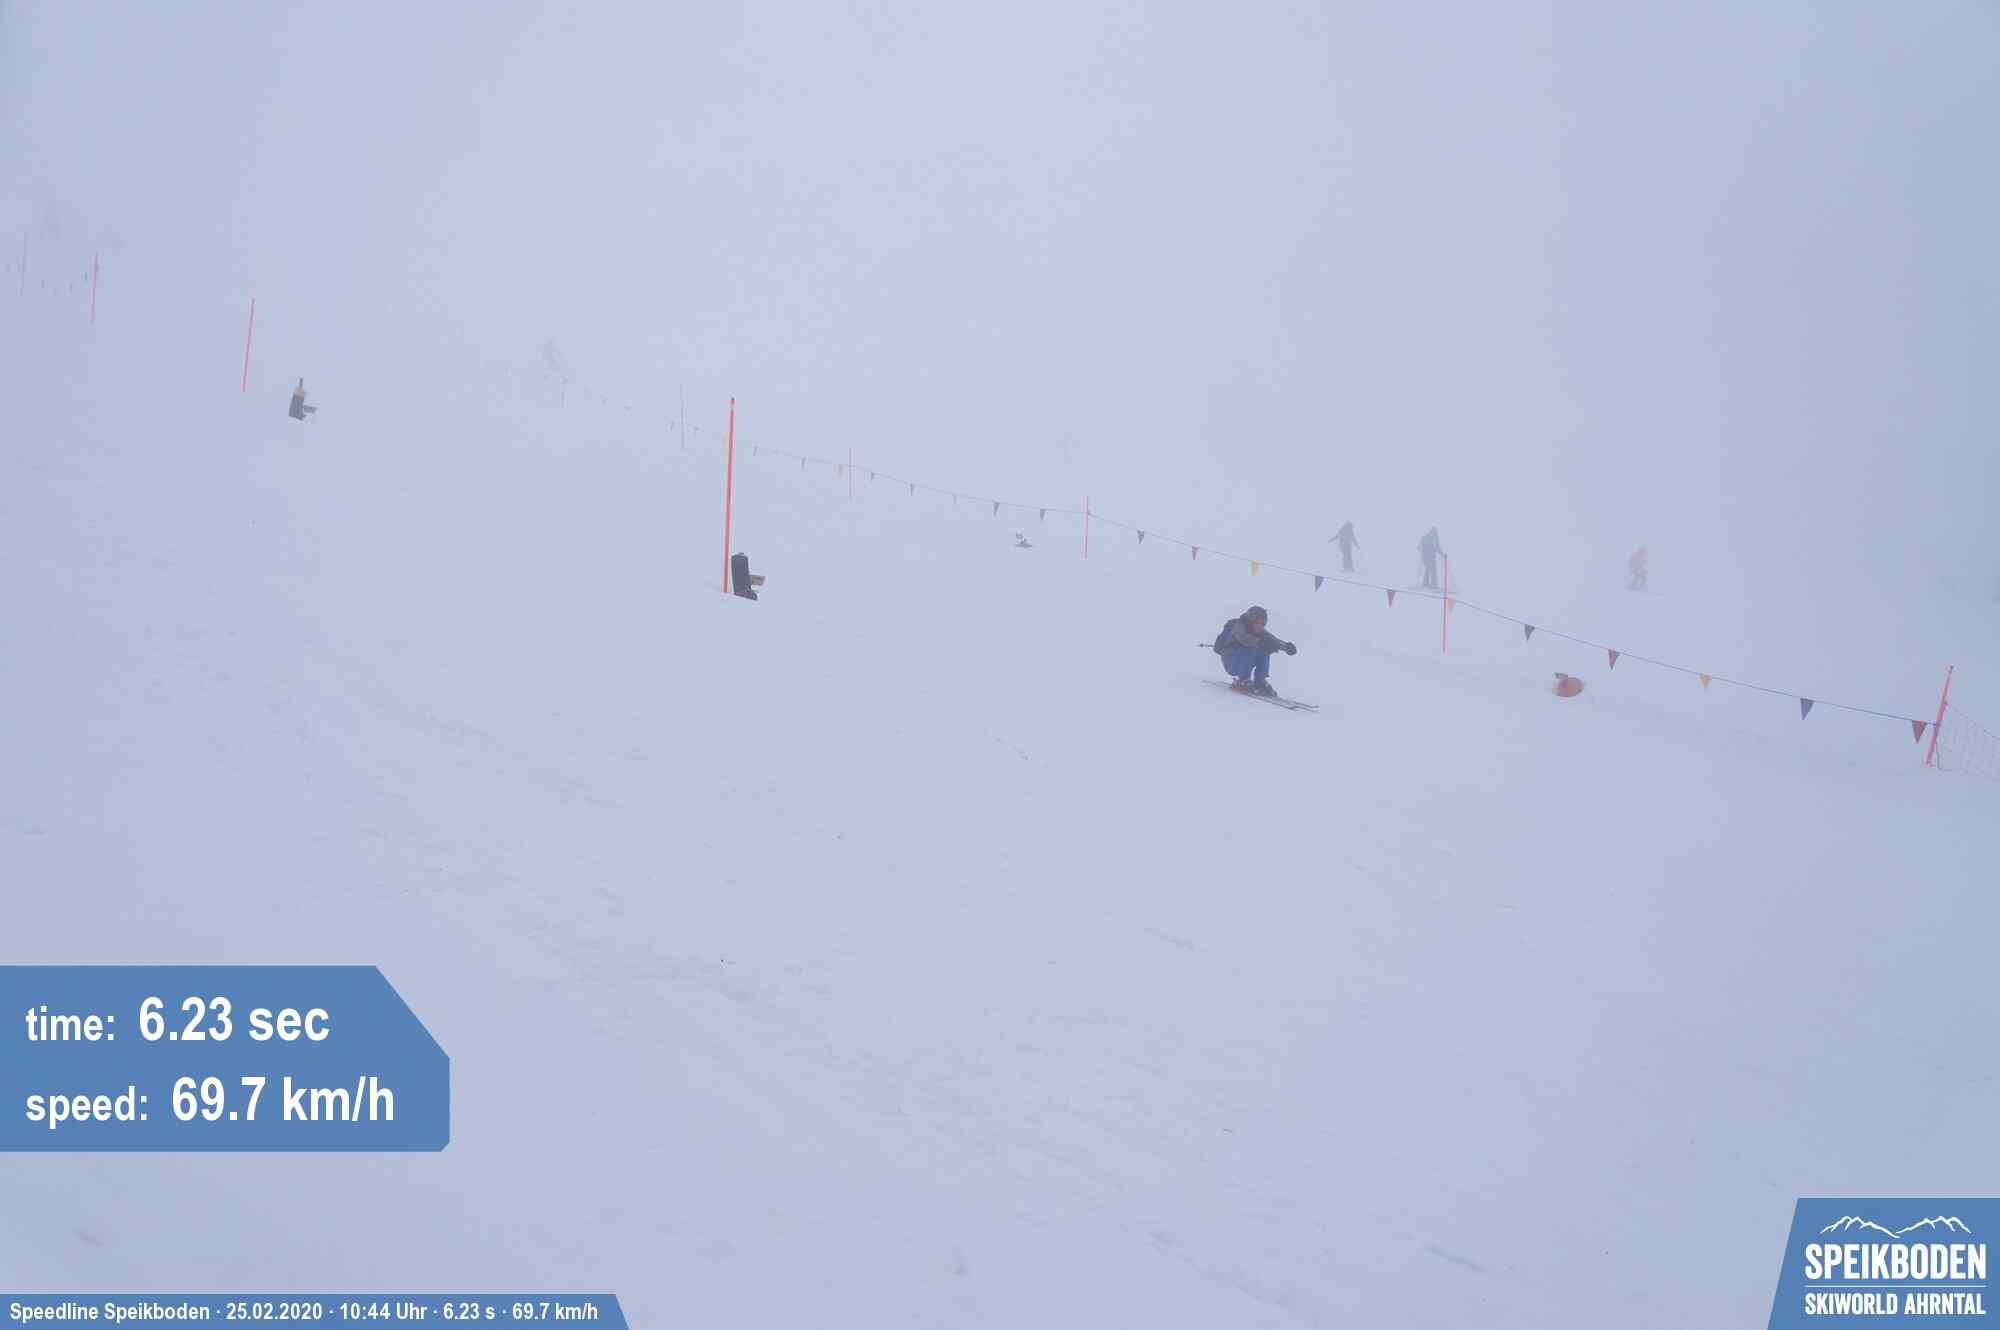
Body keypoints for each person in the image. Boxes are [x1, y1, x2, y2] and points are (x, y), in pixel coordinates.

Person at [1213, 605, 1297, 696]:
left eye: (1263, 624)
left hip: (1243, 661)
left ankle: (1260, 681)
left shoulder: (1259, 631)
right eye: (1258, 623)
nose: (1260, 626)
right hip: (1230, 660)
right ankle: (1243, 680)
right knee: (1250, 647)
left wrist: (1285, 647)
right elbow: (1243, 638)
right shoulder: (1239, 626)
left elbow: (1272, 640)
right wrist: (1259, 642)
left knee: (1265, 650)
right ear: (1251, 620)